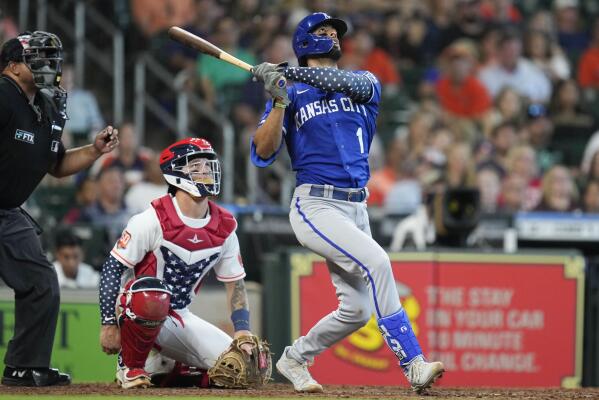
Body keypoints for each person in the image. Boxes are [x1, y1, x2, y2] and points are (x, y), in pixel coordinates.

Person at [250, 12, 444, 394]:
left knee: (356, 311)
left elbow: (331, 79)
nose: (332, 36)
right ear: (305, 42)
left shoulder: (363, 82)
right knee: (379, 262)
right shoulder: (290, 94)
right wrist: (277, 100)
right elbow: (263, 150)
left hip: (357, 206)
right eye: (322, 31)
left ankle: (295, 358)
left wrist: (287, 75)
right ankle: (413, 363)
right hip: (316, 205)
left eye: (335, 32)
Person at [0, 31, 119, 386]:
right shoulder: (3, 96)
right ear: (12, 66)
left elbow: (57, 165)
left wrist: (95, 150)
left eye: (50, 58)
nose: (47, 65)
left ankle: (24, 367)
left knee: (41, 282)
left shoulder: (47, 106)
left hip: (7, 210)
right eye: (36, 58)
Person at [98, 138, 257, 389]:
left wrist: (242, 329)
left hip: (179, 314)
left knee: (242, 368)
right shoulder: (150, 219)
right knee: (151, 293)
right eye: (196, 167)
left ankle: (172, 370)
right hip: (136, 308)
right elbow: (112, 268)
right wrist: (108, 322)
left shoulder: (226, 226)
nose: (205, 171)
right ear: (174, 173)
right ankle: (130, 365)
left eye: (208, 165)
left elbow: (235, 284)